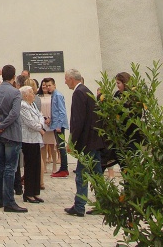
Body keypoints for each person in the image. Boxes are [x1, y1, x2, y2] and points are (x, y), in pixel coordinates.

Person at [64, 69, 104, 217]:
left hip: (87, 142)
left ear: (72, 79)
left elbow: (78, 120)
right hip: (93, 141)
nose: (65, 82)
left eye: (66, 79)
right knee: (97, 174)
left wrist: (72, 142)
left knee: (82, 174)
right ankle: (103, 203)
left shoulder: (79, 92)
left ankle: (80, 205)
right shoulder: (86, 91)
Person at [0, 64, 26, 213]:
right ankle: (9, 201)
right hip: (11, 133)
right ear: (14, 76)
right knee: (10, 167)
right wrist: (2, 125)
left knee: (0, 166)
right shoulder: (15, 92)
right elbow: (15, 113)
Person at [19, 85, 45, 203]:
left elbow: (40, 116)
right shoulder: (23, 106)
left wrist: (40, 124)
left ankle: (35, 192)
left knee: (36, 166)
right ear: (25, 95)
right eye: (31, 93)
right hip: (28, 139)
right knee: (29, 166)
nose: (33, 95)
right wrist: (39, 126)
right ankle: (28, 193)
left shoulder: (32, 104)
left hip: (36, 138)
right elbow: (29, 122)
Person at [46, 77, 69, 178]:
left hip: (59, 125)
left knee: (61, 147)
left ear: (54, 85)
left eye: (50, 85)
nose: (48, 87)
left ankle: (64, 168)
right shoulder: (53, 95)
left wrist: (59, 125)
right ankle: (63, 168)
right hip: (55, 124)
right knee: (59, 146)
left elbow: (62, 111)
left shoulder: (58, 95)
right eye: (47, 86)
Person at [37, 78, 57, 177]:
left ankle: (54, 165)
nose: (45, 87)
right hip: (42, 122)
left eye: (46, 85)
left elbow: (55, 109)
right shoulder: (38, 96)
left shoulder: (53, 96)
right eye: (43, 85)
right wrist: (43, 119)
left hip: (51, 122)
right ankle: (44, 165)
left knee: (52, 145)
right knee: (43, 146)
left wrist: (50, 118)